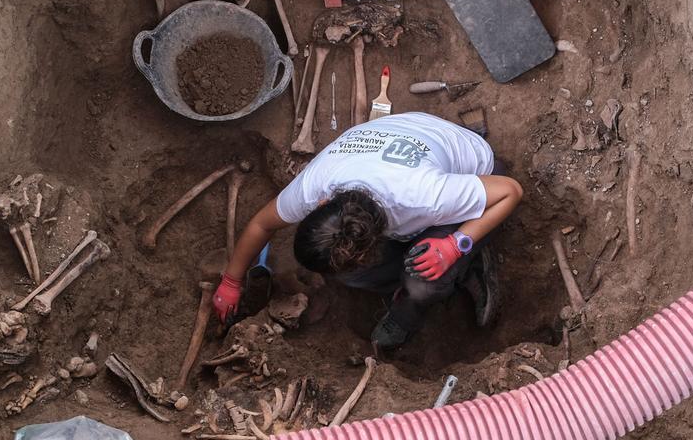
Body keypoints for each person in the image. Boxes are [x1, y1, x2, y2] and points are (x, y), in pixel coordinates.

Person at [213, 111, 523, 350]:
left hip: (478, 175)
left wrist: (457, 245)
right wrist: (231, 280)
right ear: (321, 204)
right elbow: (261, 224)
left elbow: (510, 191)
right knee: (346, 274)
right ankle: (416, 269)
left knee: (423, 282)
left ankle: (465, 267)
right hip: (405, 150)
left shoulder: (424, 195)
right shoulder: (316, 185)